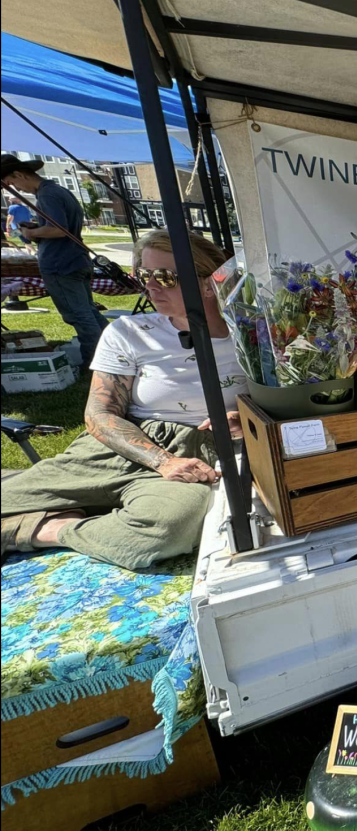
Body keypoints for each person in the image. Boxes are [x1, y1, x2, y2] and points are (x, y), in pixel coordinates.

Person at [1, 229, 247, 570]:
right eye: (143, 275)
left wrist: (245, 419)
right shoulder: (129, 332)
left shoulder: (251, 337)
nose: (151, 286)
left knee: (169, 529)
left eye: (164, 276)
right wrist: (163, 461)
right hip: (122, 447)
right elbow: (100, 414)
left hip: (199, 457)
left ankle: (48, 528)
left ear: (210, 282)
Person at [1, 154, 109, 364]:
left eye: (12, 183)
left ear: (19, 174)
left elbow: (58, 230)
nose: (16, 189)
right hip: (75, 260)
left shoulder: (47, 195)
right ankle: (113, 353)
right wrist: (37, 229)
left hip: (61, 264)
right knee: (88, 312)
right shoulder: (58, 191)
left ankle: (97, 363)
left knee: (79, 316)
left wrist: (32, 233)